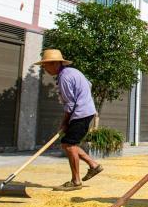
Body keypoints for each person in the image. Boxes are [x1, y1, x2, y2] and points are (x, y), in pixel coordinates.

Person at [35, 49, 103, 191]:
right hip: (85, 111)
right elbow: (88, 84)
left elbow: (70, 104)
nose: (44, 69)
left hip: (81, 113)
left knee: (69, 145)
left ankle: (76, 181)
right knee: (67, 144)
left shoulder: (64, 77)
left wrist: (65, 122)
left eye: (45, 65)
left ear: (54, 64)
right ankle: (93, 165)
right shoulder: (72, 71)